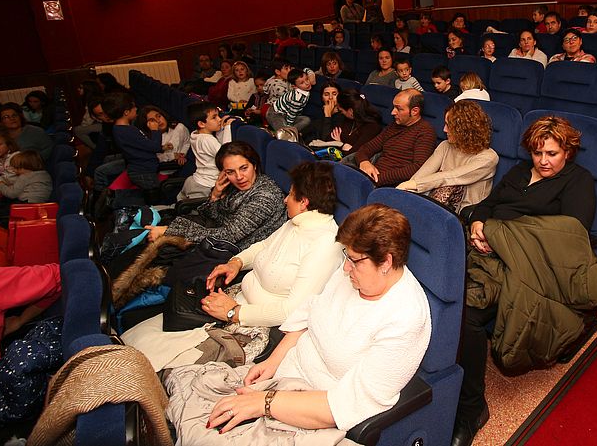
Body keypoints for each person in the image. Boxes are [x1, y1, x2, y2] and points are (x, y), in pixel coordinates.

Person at [164, 203, 431, 443]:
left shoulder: (405, 318)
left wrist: (264, 403)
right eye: (346, 257)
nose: (345, 267)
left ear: (386, 262)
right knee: (184, 389)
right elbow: (311, 311)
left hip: (315, 408)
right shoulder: (355, 271)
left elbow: (348, 404)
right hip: (283, 379)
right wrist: (272, 361)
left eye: (354, 261)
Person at [452, 115, 597, 446]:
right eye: (538, 154)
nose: (544, 161)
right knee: (444, 291)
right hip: (491, 250)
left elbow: (568, 235)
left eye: (552, 154)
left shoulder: (577, 181)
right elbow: (487, 205)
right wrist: (480, 225)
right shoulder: (516, 173)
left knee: (467, 314)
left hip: (538, 264)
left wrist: (498, 233)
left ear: (567, 151)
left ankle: (471, 408)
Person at [123, 162, 343, 371]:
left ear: (304, 201)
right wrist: (235, 263)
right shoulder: (295, 223)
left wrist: (233, 312)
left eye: (291, 195)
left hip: (255, 321)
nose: (285, 200)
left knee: (152, 353)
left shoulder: (325, 244)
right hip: (236, 302)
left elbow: (290, 312)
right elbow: (263, 246)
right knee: (144, 335)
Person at [146, 141, 287, 251]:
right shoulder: (234, 187)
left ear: (254, 165)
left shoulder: (264, 195)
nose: (239, 177)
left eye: (244, 168)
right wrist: (215, 194)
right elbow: (210, 215)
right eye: (230, 172)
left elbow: (229, 235)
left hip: (236, 250)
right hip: (217, 238)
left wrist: (171, 231)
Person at [398, 100, 497, 213]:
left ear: (465, 129)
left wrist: (414, 184)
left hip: (462, 215)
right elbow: (422, 175)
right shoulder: (445, 145)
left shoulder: (488, 158)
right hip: (433, 204)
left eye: (449, 125)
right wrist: (407, 189)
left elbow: (452, 177)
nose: (444, 130)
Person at [354, 90, 437, 187]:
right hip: (372, 176)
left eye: (399, 109)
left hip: (390, 185)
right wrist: (364, 162)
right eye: (394, 107)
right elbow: (367, 147)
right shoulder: (395, 125)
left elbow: (418, 167)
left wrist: (378, 178)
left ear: (414, 111)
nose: (393, 112)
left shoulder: (425, 131)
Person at [106, 92, 164, 203]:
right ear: (126, 112)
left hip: (139, 168)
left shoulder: (120, 129)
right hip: (144, 170)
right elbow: (154, 147)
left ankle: (116, 198)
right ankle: (116, 200)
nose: (136, 109)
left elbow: (141, 146)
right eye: (133, 107)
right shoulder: (127, 131)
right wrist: (155, 130)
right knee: (154, 201)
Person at [179, 103, 239, 201]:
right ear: (201, 124)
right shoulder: (207, 140)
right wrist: (228, 128)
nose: (219, 119)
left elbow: (216, 146)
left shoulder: (195, 135)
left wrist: (220, 130)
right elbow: (226, 152)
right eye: (214, 117)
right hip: (206, 185)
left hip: (194, 181)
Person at [0, 150, 52, 223]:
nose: (14, 171)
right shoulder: (44, 174)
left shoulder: (25, 176)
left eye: (17, 168)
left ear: (26, 166)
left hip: (27, 204)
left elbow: (12, 194)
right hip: (40, 204)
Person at [266, 69, 315, 133]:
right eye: (302, 83)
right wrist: (289, 126)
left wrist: (311, 74)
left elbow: (306, 69)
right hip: (275, 114)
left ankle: (291, 131)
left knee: (306, 120)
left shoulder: (304, 90)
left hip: (287, 114)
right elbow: (292, 113)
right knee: (284, 132)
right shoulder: (297, 98)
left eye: (307, 79)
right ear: (294, 86)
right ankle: (287, 133)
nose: (307, 83)